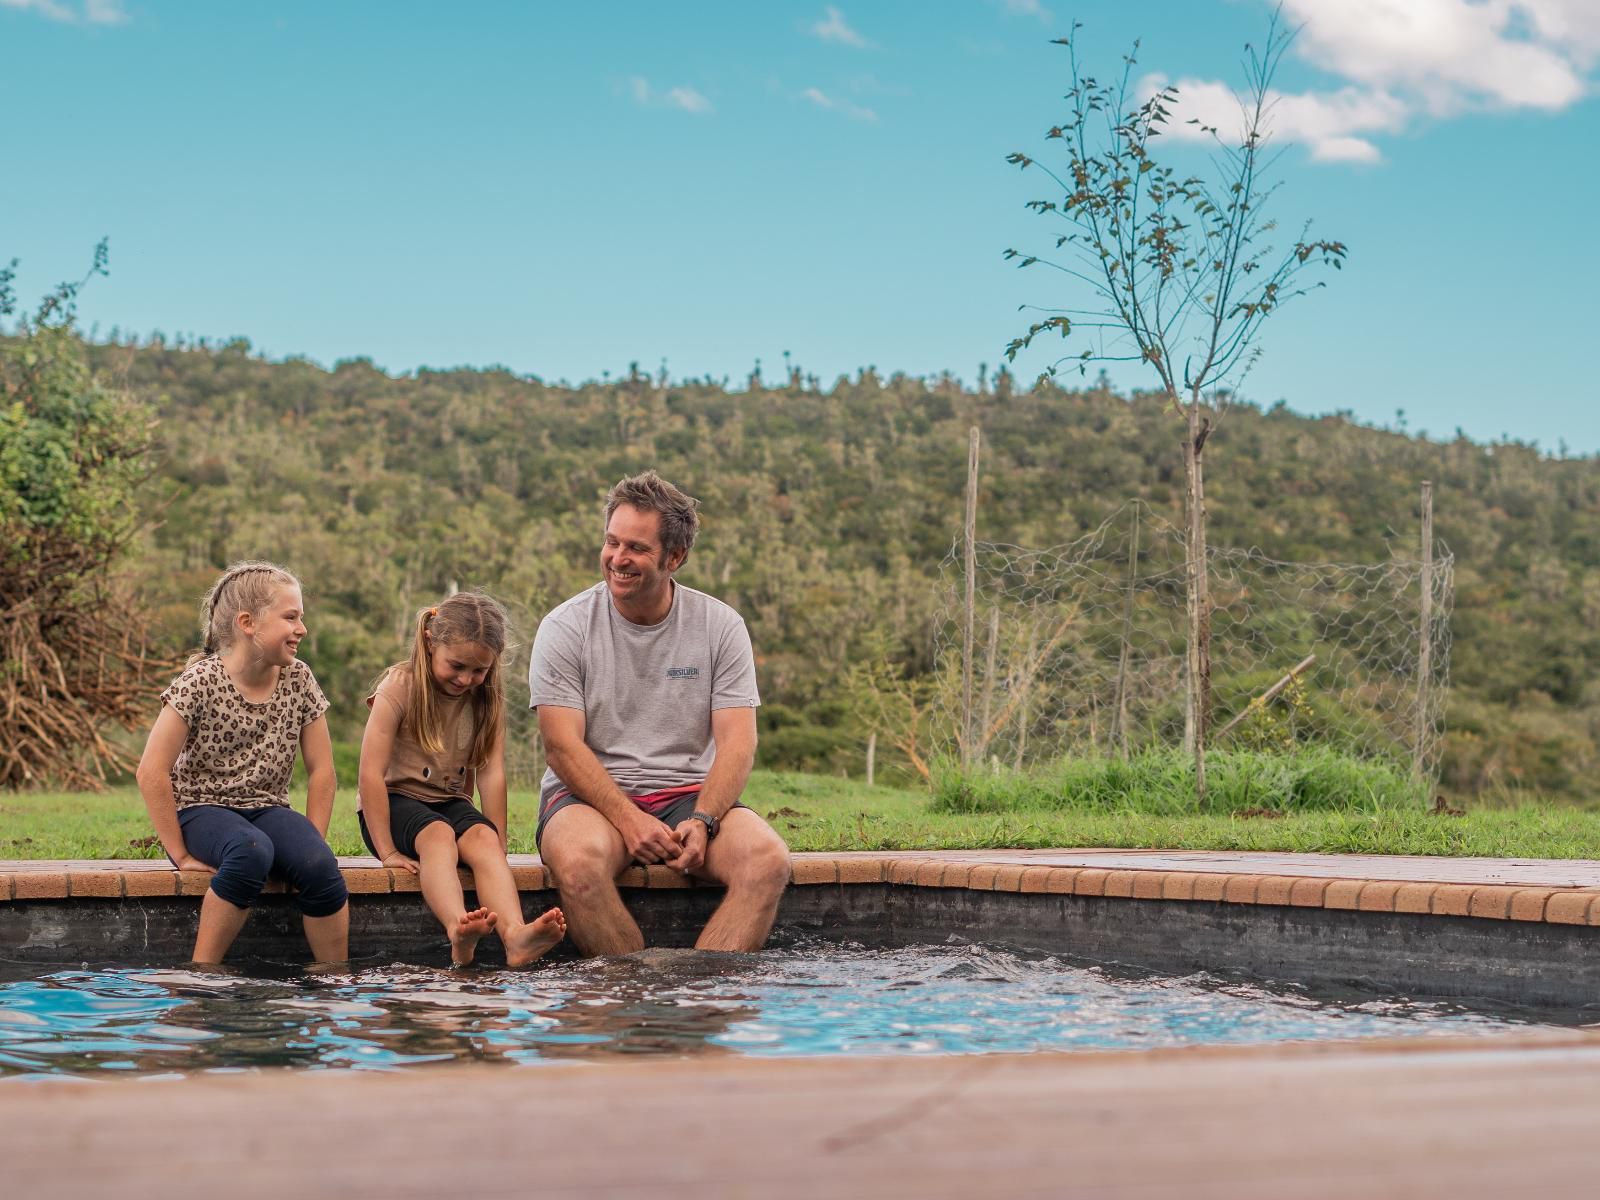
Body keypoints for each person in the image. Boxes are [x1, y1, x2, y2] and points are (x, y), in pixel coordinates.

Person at [529, 471, 791, 956]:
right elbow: (561, 746)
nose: (617, 559)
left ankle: (697, 1003)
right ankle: (636, 1002)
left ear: (675, 557)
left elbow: (738, 743)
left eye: (636, 548)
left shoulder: (720, 626)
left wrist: (705, 819)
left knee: (768, 861)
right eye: (611, 542)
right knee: (580, 866)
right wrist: (628, 820)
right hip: (587, 801)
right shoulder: (565, 627)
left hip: (690, 797)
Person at [136, 561, 349, 965]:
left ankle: (332, 981)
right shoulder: (200, 682)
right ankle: (203, 974)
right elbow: (151, 771)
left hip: (267, 807)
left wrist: (312, 842)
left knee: (320, 866)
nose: (301, 628)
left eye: (301, 617)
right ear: (248, 623)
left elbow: (322, 771)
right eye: (291, 617)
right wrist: (179, 855)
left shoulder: (299, 679)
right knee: (251, 852)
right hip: (200, 809)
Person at [358, 591, 566, 968]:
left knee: (483, 838)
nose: (466, 678)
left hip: (448, 801)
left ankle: (515, 936)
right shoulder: (399, 687)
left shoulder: (485, 699)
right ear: (430, 642)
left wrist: (499, 841)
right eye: (456, 666)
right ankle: (457, 927)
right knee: (438, 836)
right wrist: (387, 851)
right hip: (392, 803)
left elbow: (491, 772)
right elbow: (369, 773)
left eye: (479, 670)